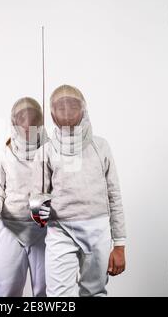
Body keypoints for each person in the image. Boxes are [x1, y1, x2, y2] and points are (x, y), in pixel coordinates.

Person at [30, 85, 126, 297]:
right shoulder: (46, 151)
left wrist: (119, 244)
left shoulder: (100, 146)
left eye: (72, 107)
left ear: (83, 110)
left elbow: (114, 196)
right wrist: (37, 210)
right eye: (61, 108)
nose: (67, 112)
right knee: (58, 297)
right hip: (60, 230)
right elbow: (36, 198)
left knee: (95, 292)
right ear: (54, 115)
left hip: (98, 230)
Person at [0, 97, 48, 297]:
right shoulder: (4, 154)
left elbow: (63, 194)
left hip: (45, 231)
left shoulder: (53, 153)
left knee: (47, 293)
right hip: (11, 229)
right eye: (23, 124)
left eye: (33, 124)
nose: (27, 129)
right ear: (15, 125)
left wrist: (51, 206)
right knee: (6, 291)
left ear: (40, 124)